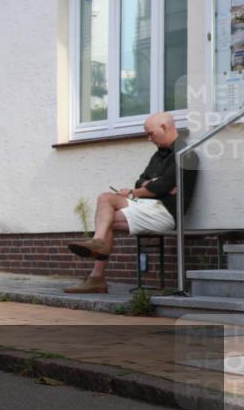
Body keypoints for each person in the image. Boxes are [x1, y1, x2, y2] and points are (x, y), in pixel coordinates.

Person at [64, 112, 196, 293]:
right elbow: (142, 182)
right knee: (106, 208)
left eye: (151, 133)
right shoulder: (158, 156)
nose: (149, 139)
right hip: (149, 207)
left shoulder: (186, 154)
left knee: (106, 206)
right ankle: (96, 271)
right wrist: (150, 185)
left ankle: (97, 262)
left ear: (164, 127)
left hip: (165, 212)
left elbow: (159, 188)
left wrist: (147, 188)